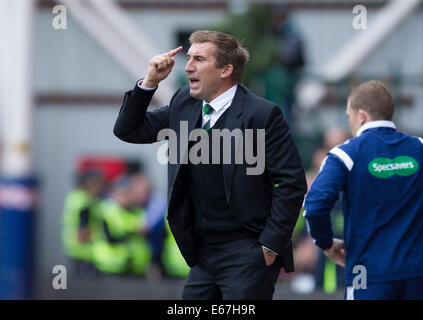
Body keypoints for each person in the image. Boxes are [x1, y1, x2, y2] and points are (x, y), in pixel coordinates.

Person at [113, 30, 307, 299]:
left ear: (226, 69)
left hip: (248, 253)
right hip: (202, 255)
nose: (188, 66)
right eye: (189, 58)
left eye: (199, 59)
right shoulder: (184, 103)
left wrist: (269, 248)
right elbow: (129, 130)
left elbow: (291, 184)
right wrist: (149, 82)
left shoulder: (262, 114)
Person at [304, 80, 423, 300]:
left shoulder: (345, 155)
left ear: (361, 116)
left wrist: (326, 243)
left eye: (348, 116)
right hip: (418, 273)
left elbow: (314, 206)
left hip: (366, 274)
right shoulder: (419, 147)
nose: (349, 122)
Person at [92, 174, 151, 275]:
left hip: (133, 266)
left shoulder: (136, 210)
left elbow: (144, 228)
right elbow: (119, 230)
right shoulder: (108, 208)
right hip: (111, 264)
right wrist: (135, 229)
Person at [62, 170, 105, 277]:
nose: (101, 187)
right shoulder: (85, 201)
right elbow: (83, 230)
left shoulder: (74, 198)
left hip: (75, 249)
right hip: (85, 252)